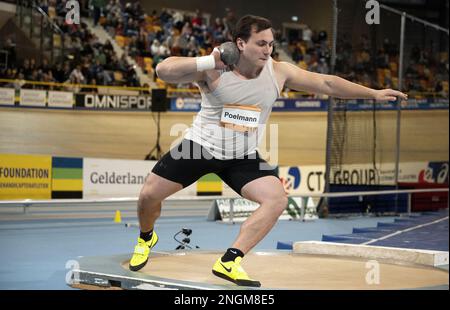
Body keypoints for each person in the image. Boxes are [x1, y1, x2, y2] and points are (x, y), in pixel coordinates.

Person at [128, 15, 407, 287]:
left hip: (242, 156)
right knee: (148, 197)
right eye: (261, 43)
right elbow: (163, 70)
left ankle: (230, 261)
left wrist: (373, 93)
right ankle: (146, 237)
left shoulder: (279, 72)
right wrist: (210, 60)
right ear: (240, 44)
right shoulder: (215, 68)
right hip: (199, 147)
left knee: (276, 199)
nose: (268, 49)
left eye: (270, 43)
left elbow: (327, 83)